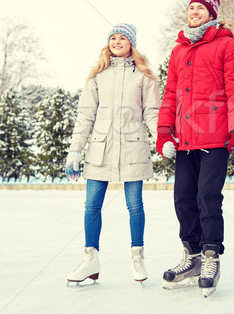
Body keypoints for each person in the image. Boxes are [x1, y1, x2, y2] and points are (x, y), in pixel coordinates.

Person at [155, 0, 234, 297]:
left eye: (200, 8)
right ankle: (191, 256)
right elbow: (170, 95)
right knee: (183, 198)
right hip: (185, 139)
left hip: (215, 134)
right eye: (191, 8)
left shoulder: (227, 45)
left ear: (211, 14)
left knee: (208, 197)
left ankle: (210, 257)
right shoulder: (178, 51)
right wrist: (163, 131)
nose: (194, 11)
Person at [64, 23, 161, 286]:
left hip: (133, 146)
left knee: (134, 205)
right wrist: (75, 150)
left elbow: (152, 112)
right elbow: (85, 115)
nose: (117, 41)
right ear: (108, 44)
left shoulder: (144, 76)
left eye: (123, 38)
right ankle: (90, 259)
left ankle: (137, 257)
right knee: (92, 205)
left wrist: (162, 138)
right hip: (100, 147)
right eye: (113, 38)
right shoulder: (97, 75)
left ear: (132, 44)